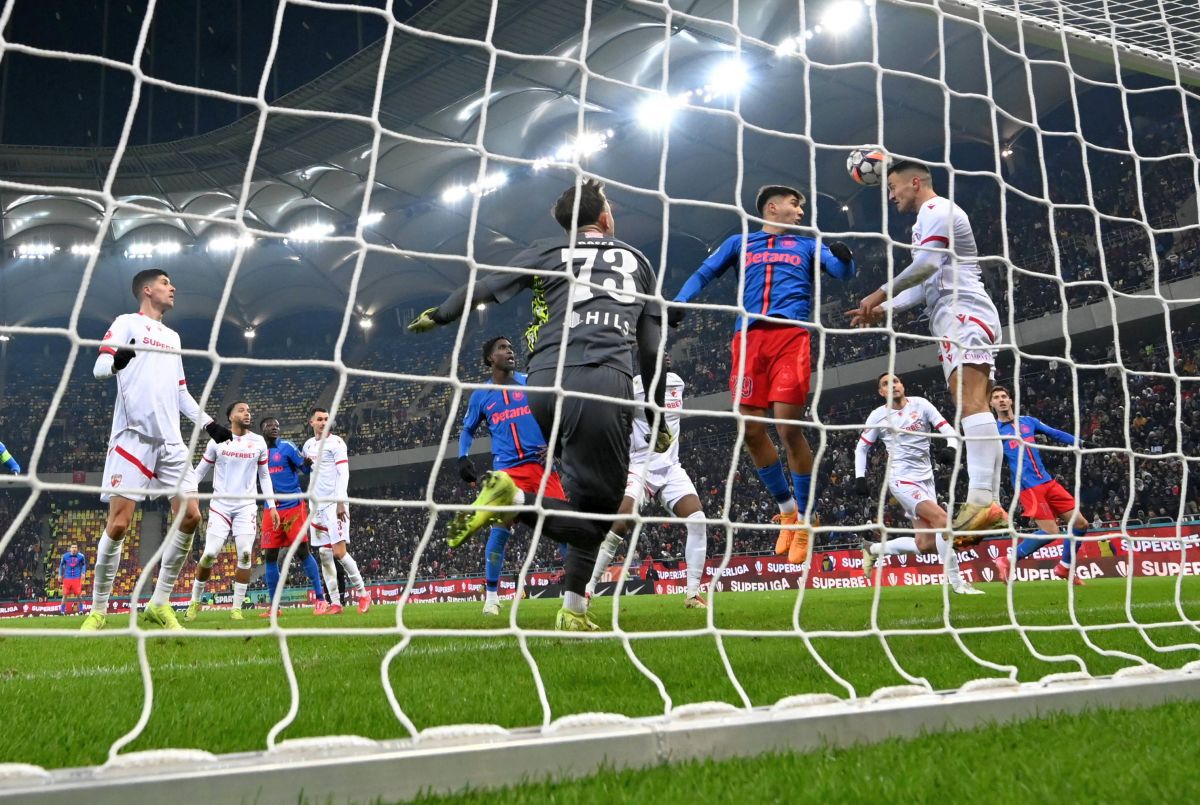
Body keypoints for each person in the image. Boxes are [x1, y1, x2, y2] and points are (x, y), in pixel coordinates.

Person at [409, 178, 669, 631]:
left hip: (544, 383)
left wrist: (441, 313)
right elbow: (651, 350)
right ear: (605, 217)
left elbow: (485, 285)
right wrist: (657, 415)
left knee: (580, 501)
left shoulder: (548, 250)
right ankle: (514, 498)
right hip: (602, 380)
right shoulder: (637, 260)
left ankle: (573, 610)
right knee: (601, 519)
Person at [670, 184, 856, 565]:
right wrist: (681, 300)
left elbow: (842, 273)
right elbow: (703, 273)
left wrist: (846, 258)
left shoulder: (808, 245)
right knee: (750, 430)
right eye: (795, 204)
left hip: (790, 337)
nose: (801, 212)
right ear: (772, 208)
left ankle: (805, 520)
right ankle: (787, 511)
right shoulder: (740, 243)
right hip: (748, 341)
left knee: (788, 428)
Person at [848, 161, 1006, 543]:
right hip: (954, 313)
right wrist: (886, 309)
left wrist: (879, 293)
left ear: (914, 182)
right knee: (972, 403)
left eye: (893, 187)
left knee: (970, 402)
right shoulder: (923, 224)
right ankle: (991, 504)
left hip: (962, 310)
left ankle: (983, 500)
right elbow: (924, 284)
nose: (891, 195)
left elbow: (928, 264)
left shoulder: (938, 209)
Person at [81, 268, 233, 632]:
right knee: (119, 524)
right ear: (147, 290)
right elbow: (99, 367)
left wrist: (209, 424)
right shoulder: (126, 323)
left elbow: (180, 392)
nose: (173, 287)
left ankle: (159, 603)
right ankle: (98, 610)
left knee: (191, 516)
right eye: (165, 283)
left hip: (171, 441)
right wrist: (116, 362)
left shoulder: (172, 337)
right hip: (132, 436)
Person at [457, 335, 568, 616]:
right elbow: (468, 429)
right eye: (502, 348)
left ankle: (578, 592)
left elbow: (556, 413)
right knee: (500, 530)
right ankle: (492, 598)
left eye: (510, 347)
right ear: (490, 358)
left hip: (541, 468)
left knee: (565, 528)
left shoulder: (531, 382)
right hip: (507, 472)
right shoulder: (481, 395)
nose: (510, 351)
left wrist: (555, 444)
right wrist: (463, 457)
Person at [585, 357, 709, 607]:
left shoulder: (677, 383)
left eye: (666, 352)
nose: (665, 356)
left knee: (698, 520)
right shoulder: (631, 388)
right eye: (657, 353)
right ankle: (587, 589)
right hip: (640, 466)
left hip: (671, 467)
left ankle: (692, 593)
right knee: (621, 524)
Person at [855, 374, 983, 595]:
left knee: (925, 544)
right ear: (881, 393)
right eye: (886, 384)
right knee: (943, 521)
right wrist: (859, 477)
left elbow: (949, 430)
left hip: (926, 479)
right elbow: (861, 448)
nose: (892, 385)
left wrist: (951, 448)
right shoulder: (878, 416)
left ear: (902, 385)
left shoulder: (921, 404)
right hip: (902, 480)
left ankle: (873, 549)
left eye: (895, 381)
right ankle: (958, 583)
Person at [990, 386, 1107, 585]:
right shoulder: (993, 431)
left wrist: (1081, 443)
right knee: (1051, 532)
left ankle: (1064, 567)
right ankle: (1007, 560)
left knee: (1081, 524)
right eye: (996, 398)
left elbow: (1055, 433)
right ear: (991, 404)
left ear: (1010, 401)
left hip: (1048, 482)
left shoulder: (1028, 422)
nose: (1001, 400)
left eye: (1004, 396)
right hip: (1028, 487)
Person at [187, 401, 279, 620]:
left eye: (249, 410)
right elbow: (199, 472)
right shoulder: (217, 441)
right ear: (230, 417)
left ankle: (236, 608)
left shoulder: (258, 442)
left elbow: (264, 476)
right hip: (220, 506)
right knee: (209, 554)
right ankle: (194, 601)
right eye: (241, 410)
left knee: (245, 555)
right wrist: (186, 493)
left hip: (246, 506)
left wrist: (272, 505)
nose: (247, 413)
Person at [303, 408, 370, 615]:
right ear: (311, 422)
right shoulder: (308, 445)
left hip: (334, 504)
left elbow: (343, 473)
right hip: (317, 506)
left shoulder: (337, 443)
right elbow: (308, 472)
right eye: (319, 419)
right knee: (324, 555)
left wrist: (341, 502)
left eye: (326, 419)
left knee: (339, 553)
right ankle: (335, 603)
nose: (324, 422)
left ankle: (363, 594)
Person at [259, 416, 327, 614]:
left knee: (302, 551)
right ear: (262, 429)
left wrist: (307, 463)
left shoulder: (287, 447)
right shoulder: (258, 451)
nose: (274, 428)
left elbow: (304, 468)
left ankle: (320, 599)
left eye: (277, 425)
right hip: (271, 508)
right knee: (270, 556)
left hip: (293, 507)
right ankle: (275, 607)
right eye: (270, 425)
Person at [58, 543, 87, 614]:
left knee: (79, 595)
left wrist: (83, 573)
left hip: (77, 579)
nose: (74, 549)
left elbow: (84, 565)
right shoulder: (65, 556)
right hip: (67, 579)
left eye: (75, 547)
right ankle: (62, 611)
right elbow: (61, 565)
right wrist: (59, 575)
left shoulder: (81, 556)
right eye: (73, 547)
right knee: (64, 595)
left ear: (77, 549)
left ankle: (81, 610)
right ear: (70, 549)